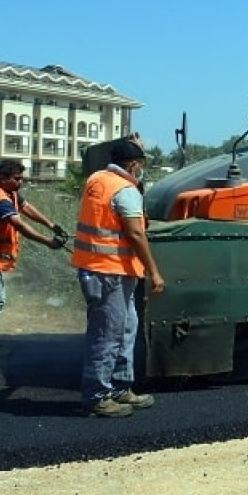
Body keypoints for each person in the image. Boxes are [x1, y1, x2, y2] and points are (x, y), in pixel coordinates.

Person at [72, 139, 166, 418]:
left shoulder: (97, 179)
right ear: (134, 165)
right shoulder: (126, 190)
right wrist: (155, 272)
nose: (141, 172)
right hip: (109, 271)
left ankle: (120, 387)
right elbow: (136, 234)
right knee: (107, 335)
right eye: (141, 166)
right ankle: (96, 396)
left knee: (126, 329)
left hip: (104, 270)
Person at [0, 159, 66, 356]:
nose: (21, 182)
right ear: (3, 178)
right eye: (17, 178)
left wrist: (51, 224)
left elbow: (26, 208)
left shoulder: (10, 193)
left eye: (22, 178)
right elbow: (20, 225)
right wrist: (48, 241)